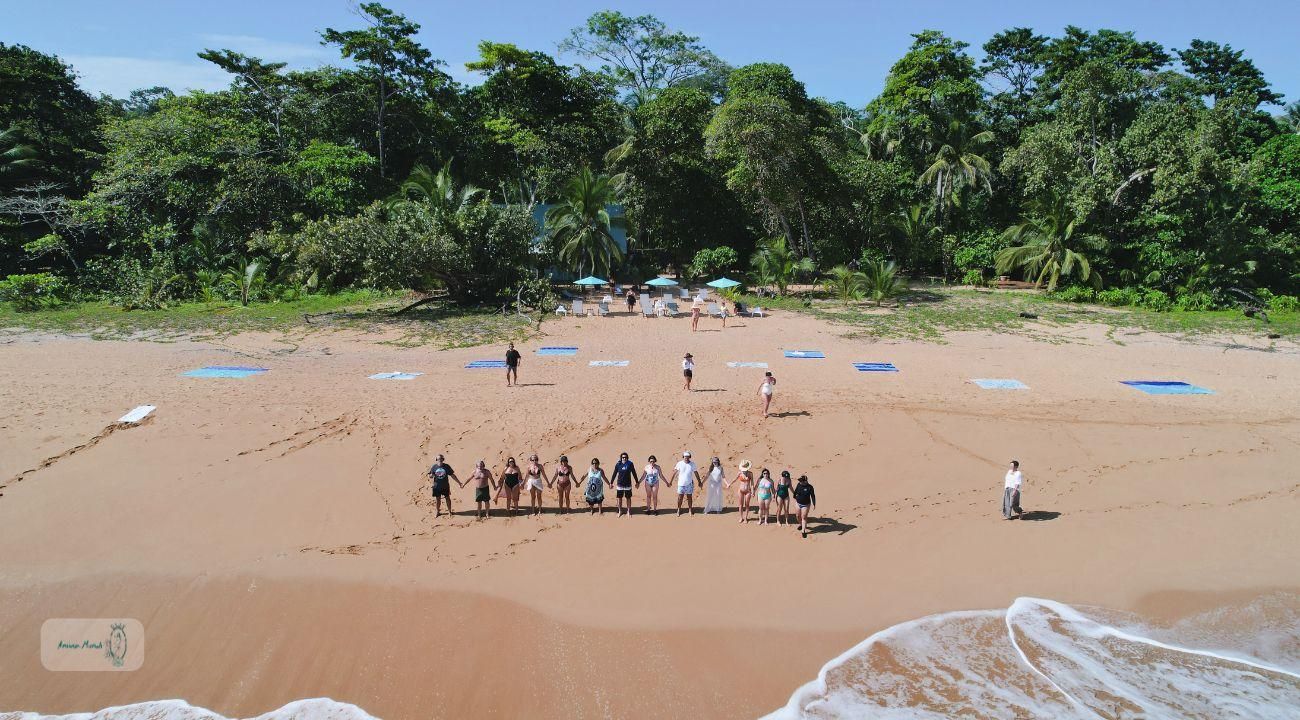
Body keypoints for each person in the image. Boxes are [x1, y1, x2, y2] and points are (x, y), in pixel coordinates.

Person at [428, 453, 461, 518]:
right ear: (436, 459)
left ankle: (449, 511)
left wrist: (459, 482)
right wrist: (431, 476)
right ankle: (437, 512)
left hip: (445, 486)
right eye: (438, 459)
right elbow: (430, 476)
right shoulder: (434, 467)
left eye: (441, 459)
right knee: (437, 499)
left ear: (443, 459)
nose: (440, 460)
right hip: (436, 486)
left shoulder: (446, 466)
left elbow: (452, 475)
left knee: (447, 498)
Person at [671, 451, 702, 516]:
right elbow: (674, 473)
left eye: (688, 457)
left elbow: (696, 473)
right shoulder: (679, 463)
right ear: (683, 457)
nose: (686, 458)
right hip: (681, 484)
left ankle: (690, 510)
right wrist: (670, 482)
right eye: (685, 457)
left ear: (689, 457)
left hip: (689, 484)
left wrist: (699, 481)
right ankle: (679, 509)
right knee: (680, 497)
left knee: (689, 497)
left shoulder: (692, 464)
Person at [610, 452, 639, 517]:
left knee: (628, 498)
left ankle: (628, 511)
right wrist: (611, 482)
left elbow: (634, 473)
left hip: (628, 485)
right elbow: (614, 474)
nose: (624, 458)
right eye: (623, 457)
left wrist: (637, 482)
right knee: (619, 499)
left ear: (627, 458)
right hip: (620, 485)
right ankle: (620, 511)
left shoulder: (630, 464)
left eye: (625, 457)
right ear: (621, 458)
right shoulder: (618, 464)